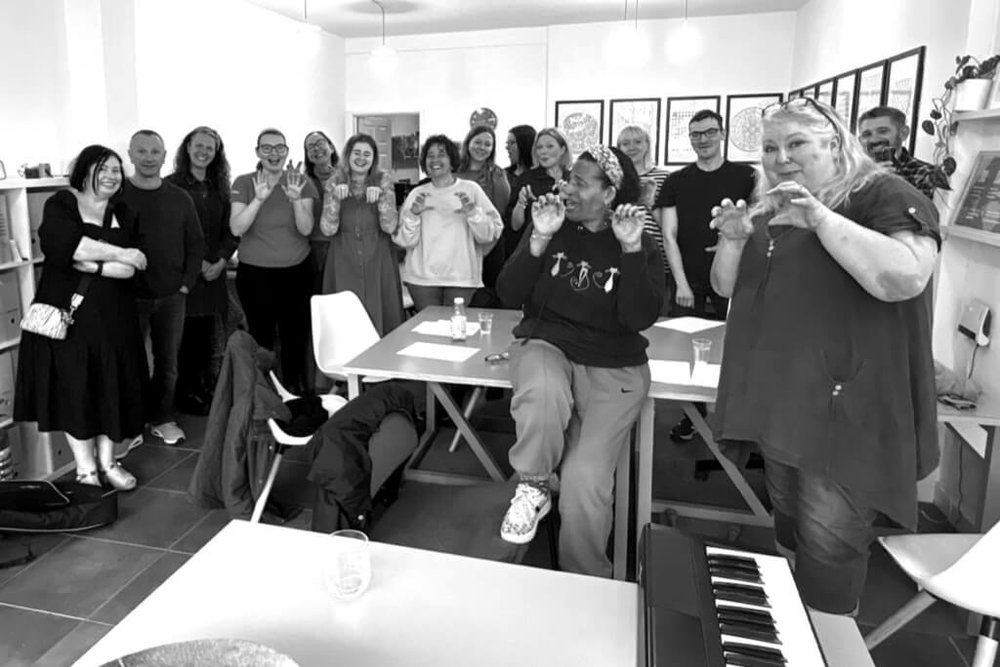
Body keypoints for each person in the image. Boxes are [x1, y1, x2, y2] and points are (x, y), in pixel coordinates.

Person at [709, 97, 940, 615]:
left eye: (796, 144)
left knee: (830, 546)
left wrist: (820, 218)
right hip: (781, 405)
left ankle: (829, 632)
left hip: (844, 413)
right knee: (791, 529)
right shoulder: (773, 206)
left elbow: (906, 277)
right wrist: (733, 240)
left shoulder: (883, 194)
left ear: (834, 143)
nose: (780, 158)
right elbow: (726, 286)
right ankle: (795, 626)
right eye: (770, 147)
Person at [496, 145, 664, 578]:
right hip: (548, 343)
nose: (566, 189)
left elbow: (639, 317)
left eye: (580, 183)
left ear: (609, 195)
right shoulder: (552, 224)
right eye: (568, 179)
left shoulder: (638, 239)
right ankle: (533, 484)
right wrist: (538, 238)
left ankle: (585, 581)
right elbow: (509, 293)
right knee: (543, 390)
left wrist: (630, 249)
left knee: (585, 481)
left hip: (614, 364)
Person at [14, 145, 148, 490]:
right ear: (85, 170)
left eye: (116, 170)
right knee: (76, 392)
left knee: (110, 389)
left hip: (115, 319)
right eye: (103, 168)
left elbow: (134, 266)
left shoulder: (124, 211)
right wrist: (120, 254)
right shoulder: (61, 203)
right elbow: (66, 247)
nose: (111, 176)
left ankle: (108, 462)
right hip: (69, 320)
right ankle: (85, 470)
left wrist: (97, 264)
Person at [652, 110, 755, 442]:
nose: (703, 139)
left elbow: (756, 225)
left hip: (735, 278)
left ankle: (734, 419)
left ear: (722, 133)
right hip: (689, 278)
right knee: (684, 351)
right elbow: (669, 235)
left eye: (710, 132)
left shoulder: (747, 177)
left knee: (736, 347)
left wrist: (729, 247)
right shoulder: (676, 181)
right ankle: (692, 417)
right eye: (696, 134)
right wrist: (681, 283)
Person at [122, 130, 205, 445]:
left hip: (171, 296)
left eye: (154, 152)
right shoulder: (117, 196)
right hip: (127, 297)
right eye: (141, 151)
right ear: (130, 154)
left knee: (168, 364)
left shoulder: (179, 198)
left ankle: (162, 418)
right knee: (129, 363)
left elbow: (195, 244)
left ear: (164, 156)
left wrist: (186, 283)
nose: (148, 158)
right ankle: (130, 423)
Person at [230, 128, 318, 393]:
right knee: (261, 339)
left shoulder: (300, 182)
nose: (274, 153)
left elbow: (306, 229)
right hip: (255, 275)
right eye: (267, 148)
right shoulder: (244, 183)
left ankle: (293, 393)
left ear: (287, 151)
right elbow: (236, 228)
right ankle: (262, 395)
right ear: (258, 152)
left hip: (296, 273)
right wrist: (258, 200)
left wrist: (295, 200)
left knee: (295, 338)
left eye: (279, 148)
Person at [166, 126, 238, 416]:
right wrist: (197, 265)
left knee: (210, 338)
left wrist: (221, 260)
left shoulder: (220, 188)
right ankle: (186, 396)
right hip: (186, 276)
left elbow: (232, 230)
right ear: (187, 147)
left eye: (210, 148)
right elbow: (169, 235)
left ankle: (206, 390)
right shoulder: (170, 186)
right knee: (186, 340)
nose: (204, 152)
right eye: (199, 145)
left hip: (215, 275)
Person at [394, 134, 503, 310]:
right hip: (422, 280)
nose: (435, 160)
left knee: (456, 325)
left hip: (461, 278)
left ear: (452, 160)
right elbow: (405, 240)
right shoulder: (417, 194)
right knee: (428, 325)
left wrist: (472, 213)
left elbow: (489, 234)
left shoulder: (471, 190)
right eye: (430, 155)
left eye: (441, 154)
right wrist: (413, 215)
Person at [319, 133, 404, 335]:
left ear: (373, 158)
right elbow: (327, 229)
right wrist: (335, 200)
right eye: (357, 152)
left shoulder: (383, 180)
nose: (361, 158)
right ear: (348, 155)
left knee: (381, 312)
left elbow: (390, 226)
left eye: (367, 154)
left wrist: (382, 199)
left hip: (378, 256)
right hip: (343, 256)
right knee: (345, 317)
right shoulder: (333, 181)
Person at [456, 125, 511, 302]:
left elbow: (499, 215)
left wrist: (484, 249)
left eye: (488, 144)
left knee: (487, 296)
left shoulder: (497, 174)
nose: (482, 147)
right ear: (468, 143)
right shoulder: (454, 171)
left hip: (490, 245)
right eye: (478, 142)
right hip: (458, 242)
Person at [503, 128, 572, 258]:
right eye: (539, 147)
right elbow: (515, 226)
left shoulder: (573, 180)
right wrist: (520, 203)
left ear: (563, 149)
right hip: (533, 251)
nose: (543, 151)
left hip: (566, 250)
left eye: (550, 146)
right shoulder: (525, 179)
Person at [857, 106, 950, 200]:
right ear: (860, 141)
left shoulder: (925, 174)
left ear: (903, 133)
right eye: (866, 134)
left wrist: (892, 183)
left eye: (883, 131)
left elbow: (919, 208)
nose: (874, 139)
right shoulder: (852, 174)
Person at [616, 124, 670, 281]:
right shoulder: (615, 179)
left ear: (647, 145)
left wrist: (650, 203)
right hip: (620, 253)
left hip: (657, 256)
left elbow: (670, 228)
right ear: (619, 148)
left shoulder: (664, 177)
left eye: (638, 142)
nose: (632, 147)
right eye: (626, 143)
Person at [303, 130, 340, 290]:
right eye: (310, 147)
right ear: (308, 156)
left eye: (320, 143)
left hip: (344, 245)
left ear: (331, 147)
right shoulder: (303, 181)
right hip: (315, 250)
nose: (316, 149)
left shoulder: (347, 177)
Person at [504, 124, 537, 190]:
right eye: (507, 143)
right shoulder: (504, 175)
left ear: (525, 144)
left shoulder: (540, 176)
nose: (507, 147)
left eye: (512, 143)